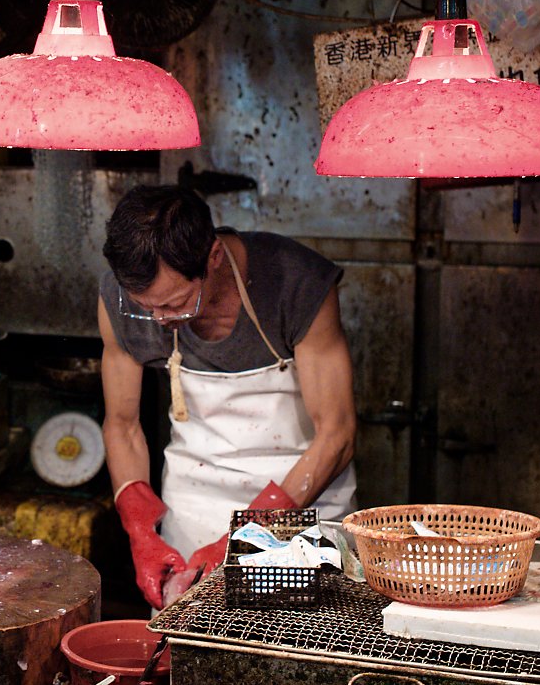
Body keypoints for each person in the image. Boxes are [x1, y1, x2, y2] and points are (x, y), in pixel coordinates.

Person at [98, 185, 357, 608]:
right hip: (194, 510)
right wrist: (139, 529)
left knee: (296, 642)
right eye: (145, 307)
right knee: (191, 645)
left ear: (214, 256)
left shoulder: (296, 282)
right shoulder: (121, 298)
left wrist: (246, 536)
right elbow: (122, 425)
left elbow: (338, 435)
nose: (158, 320)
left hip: (303, 504)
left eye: (175, 304)